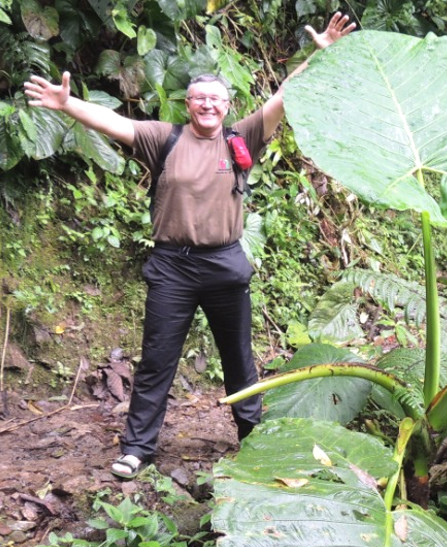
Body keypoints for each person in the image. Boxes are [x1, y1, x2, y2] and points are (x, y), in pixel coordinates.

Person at [24, 13, 355, 479]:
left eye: (216, 99)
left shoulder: (243, 138)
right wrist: (67, 104)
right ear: (187, 103)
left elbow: (286, 96)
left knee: (239, 358)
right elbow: (114, 122)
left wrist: (321, 53)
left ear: (227, 105)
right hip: (172, 268)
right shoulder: (165, 137)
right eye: (199, 98)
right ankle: (137, 449)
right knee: (158, 359)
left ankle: (254, 440)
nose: (207, 105)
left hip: (225, 265)